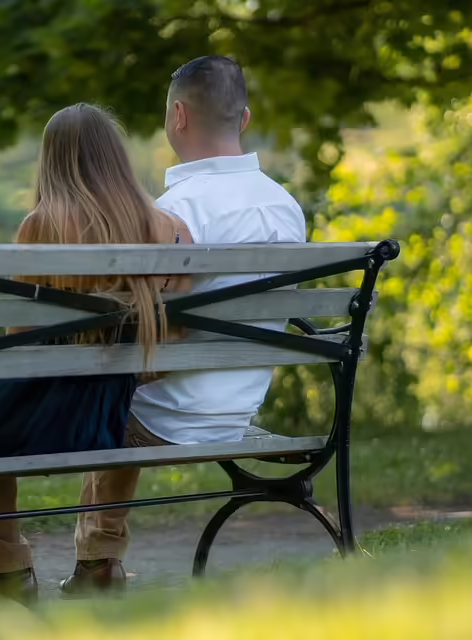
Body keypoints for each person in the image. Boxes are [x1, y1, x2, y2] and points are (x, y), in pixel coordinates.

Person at [0, 102, 191, 608]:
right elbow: (168, 342)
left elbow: (17, 346)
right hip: (106, 421)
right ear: (116, 158)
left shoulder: (42, 224)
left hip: (33, 420)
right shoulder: (172, 230)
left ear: (53, 162)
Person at [59, 56, 308, 595]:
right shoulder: (286, 208)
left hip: (165, 416)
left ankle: (95, 563)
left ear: (177, 116)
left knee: (111, 387)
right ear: (243, 120)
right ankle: (95, 566)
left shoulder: (176, 211)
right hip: (238, 406)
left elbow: (136, 324)